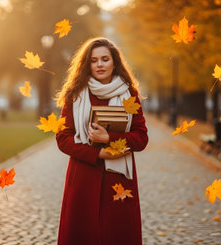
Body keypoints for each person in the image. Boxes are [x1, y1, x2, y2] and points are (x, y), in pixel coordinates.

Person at [54, 37, 148, 245]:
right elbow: (63, 138)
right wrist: (97, 153)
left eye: (105, 59)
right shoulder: (75, 94)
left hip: (118, 181)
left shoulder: (129, 94)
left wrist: (110, 139)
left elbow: (141, 137)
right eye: (94, 60)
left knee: (116, 235)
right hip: (83, 175)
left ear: (114, 62)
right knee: (82, 234)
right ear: (87, 64)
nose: (99, 64)